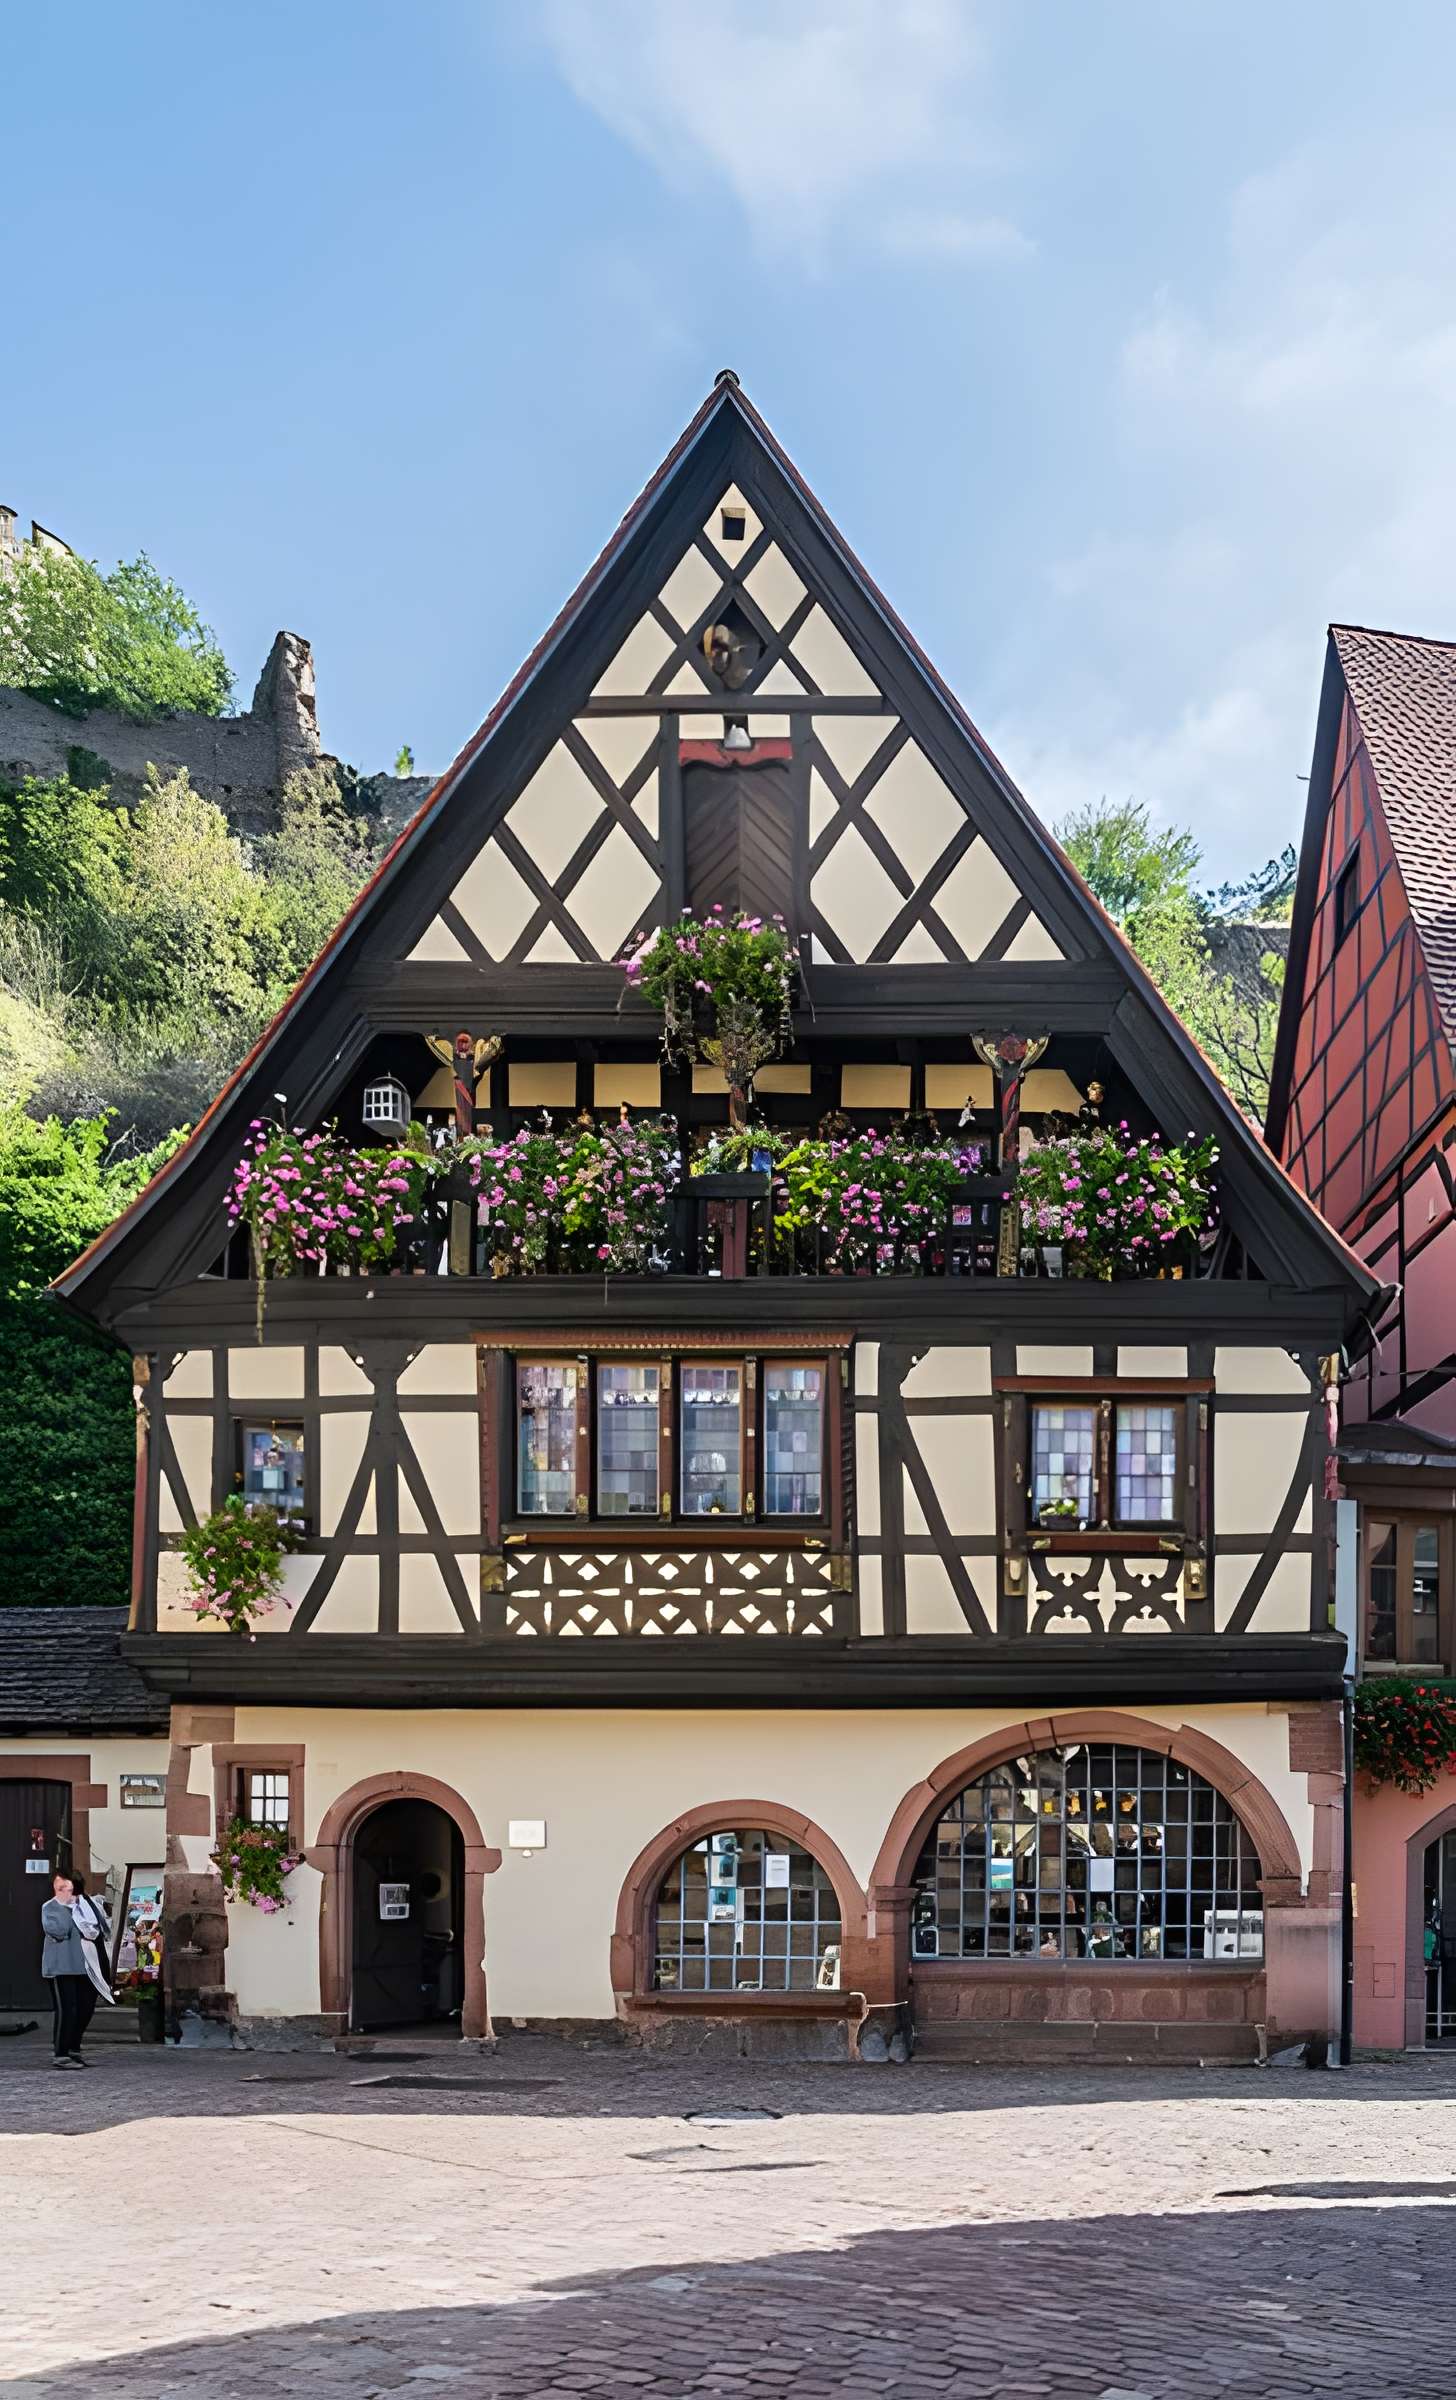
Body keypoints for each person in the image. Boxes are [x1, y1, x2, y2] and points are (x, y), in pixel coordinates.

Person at [40, 1872, 91, 2069]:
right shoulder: (50, 1907)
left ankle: (73, 2049)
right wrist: (68, 1910)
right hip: (59, 1967)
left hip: (80, 1967)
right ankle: (60, 2053)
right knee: (66, 2010)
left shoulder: (81, 1906)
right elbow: (59, 1931)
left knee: (82, 2008)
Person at [69, 1872, 115, 2045]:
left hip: (94, 1954)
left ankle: (74, 2043)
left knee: (86, 2004)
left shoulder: (89, 1902)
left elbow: (98, 1931)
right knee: (82, 2004)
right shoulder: (75, 1905)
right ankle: (72, 2044)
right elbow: (91, 1930)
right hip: (83, 1958)